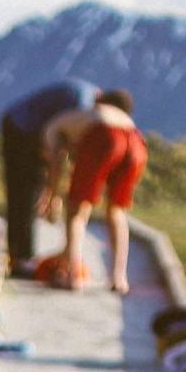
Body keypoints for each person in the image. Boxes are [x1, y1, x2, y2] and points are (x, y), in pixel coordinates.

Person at [40, 90, 147, 294]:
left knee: (76, 212)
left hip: (103, 136)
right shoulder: (105, 115)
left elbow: (56, 164)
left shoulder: (54, 125)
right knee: (116, 210)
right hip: (135, 140)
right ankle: (119, 278)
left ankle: (73, 278)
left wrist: (52, 197)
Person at [0, 78, 99, 275]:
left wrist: (51, 192)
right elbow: (58, 154)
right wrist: (52, 196)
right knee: (25, 191)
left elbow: (61, 151)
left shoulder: (85, 95)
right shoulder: (82, 107)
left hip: (23, 125)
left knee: (28, 190)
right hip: (21, 129)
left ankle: (19, 256)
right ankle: (22, 260)